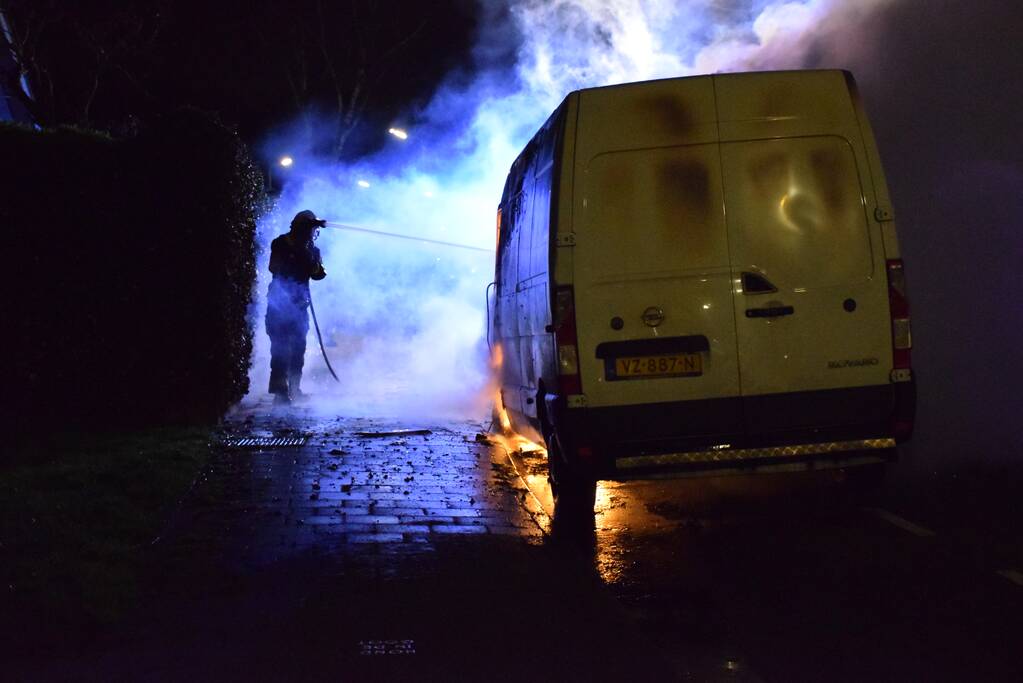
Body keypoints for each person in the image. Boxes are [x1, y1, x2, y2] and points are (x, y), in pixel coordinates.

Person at [265, 209, 327, 404]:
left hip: (300, 307)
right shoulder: (281, 243)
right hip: (279, 305)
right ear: (301, 228)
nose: (312, 234)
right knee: (280, 349)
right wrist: (301, 253)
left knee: (298, 348)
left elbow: (318, 274)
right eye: (310, 229)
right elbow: (274, 267)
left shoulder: (313, 250)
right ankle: (280, 393)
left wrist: (311, 258)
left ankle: (294, 387)